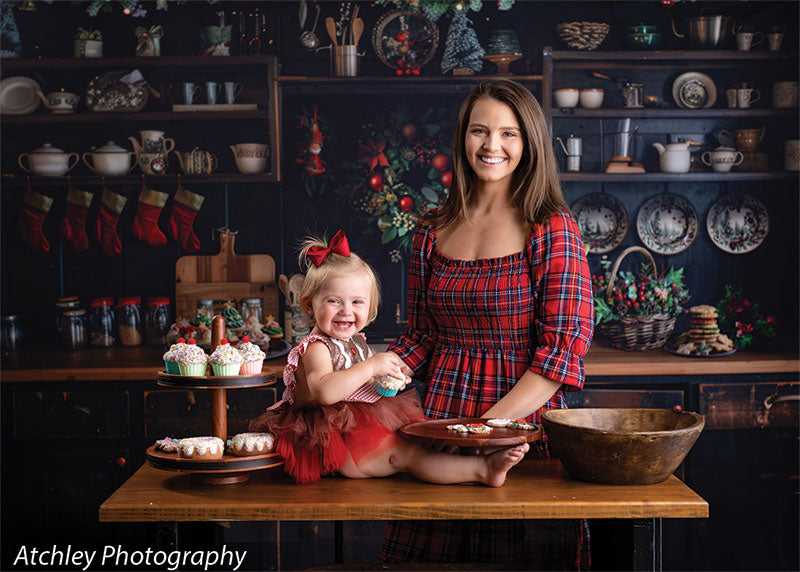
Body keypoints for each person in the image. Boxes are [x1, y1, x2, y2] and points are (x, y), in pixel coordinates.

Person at [379, 79, 595, 568]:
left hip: (522, 424)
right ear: (463, 138)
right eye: (479, 131)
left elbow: (563, 351)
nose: (491, 146)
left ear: (530, 142)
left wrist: (485, 430)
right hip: (438, 418)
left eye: (509, 133)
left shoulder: (551, 226)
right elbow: (420, 337)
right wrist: (352, 379)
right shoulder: (431, 230)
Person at [249, 229, 530, 486]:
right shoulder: (316, 347)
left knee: (413, 447)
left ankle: (478, 466)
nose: (346, 311)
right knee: (406, 456)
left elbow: (364, 389)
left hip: (357, 427)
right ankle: (482, 470)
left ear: (370, 306)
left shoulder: (356, 342)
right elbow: (324, 391)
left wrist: (388, 380)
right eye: (334, 301)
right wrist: (372, 365)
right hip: (327, 439)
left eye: (357, 302)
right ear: (310, 305)